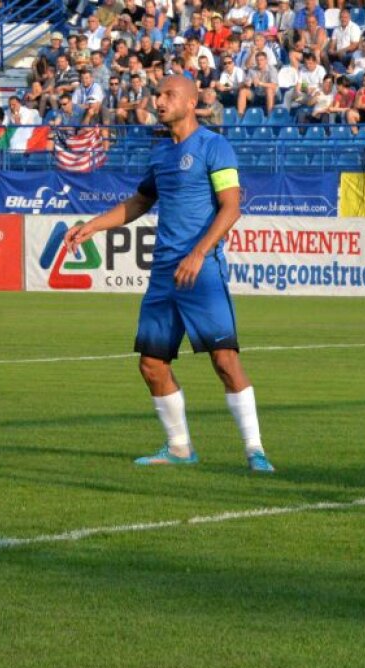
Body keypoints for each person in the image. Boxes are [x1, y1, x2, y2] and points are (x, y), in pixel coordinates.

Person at [63, 75, 274, 473]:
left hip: (201, 270)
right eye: (156, 94)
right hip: (163, 273)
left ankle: (255, 450)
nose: (159, 101)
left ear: (191, 102)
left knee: (224, 360)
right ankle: (179, 447)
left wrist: (198, 253)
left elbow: (231, 207)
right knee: (151, 364)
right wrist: (91, 226)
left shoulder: (214, 146)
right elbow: (139, 202)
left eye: (168, 95)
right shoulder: (161, 153)